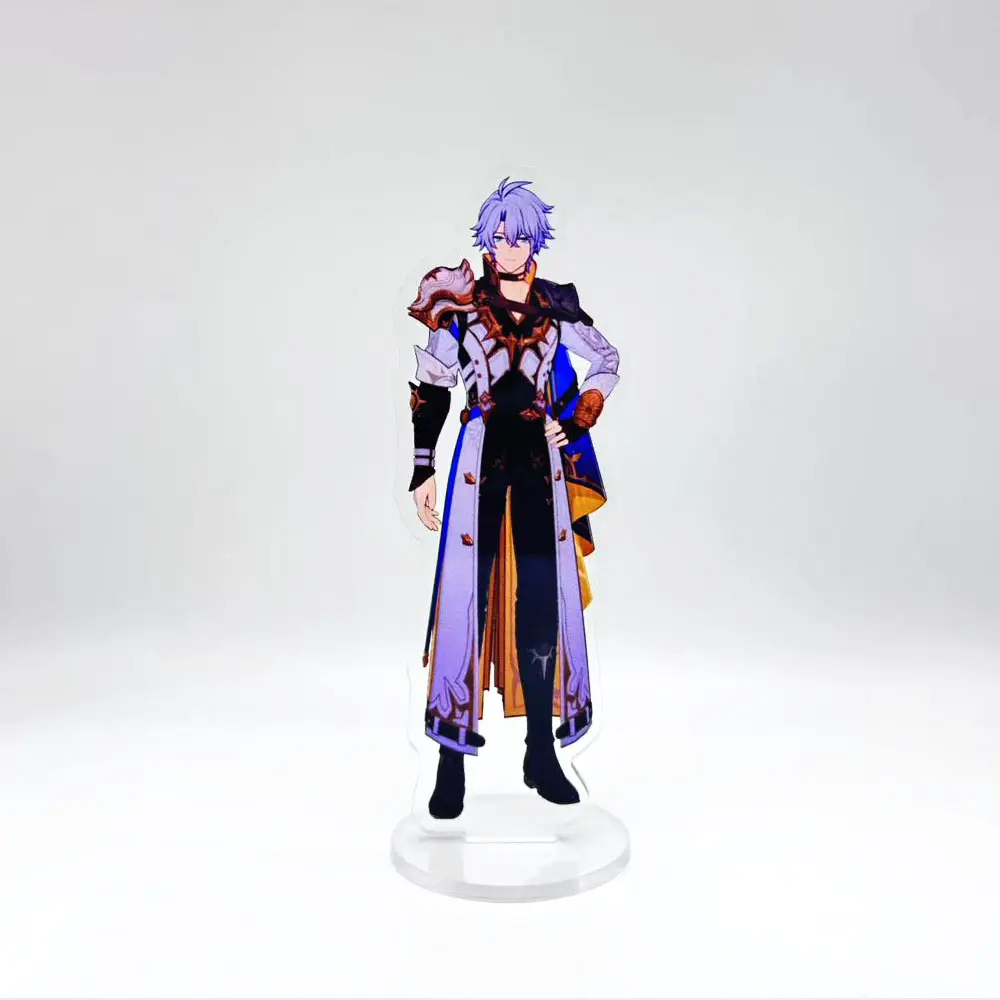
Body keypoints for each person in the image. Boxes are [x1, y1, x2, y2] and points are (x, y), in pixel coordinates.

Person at [406, 178, 620, 819]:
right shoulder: (461, 305)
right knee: (465, 602)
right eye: (498, 236)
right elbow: (431, 385)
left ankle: (540, 753)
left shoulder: (556, 307)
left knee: (541, 600)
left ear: (535, 241)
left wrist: (575, 420)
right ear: (487, 239)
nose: (507, 247)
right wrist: (422, 469)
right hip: (479, 463)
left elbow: (607, 361)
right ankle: (450, 764)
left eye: (519, 236)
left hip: (538, 466)